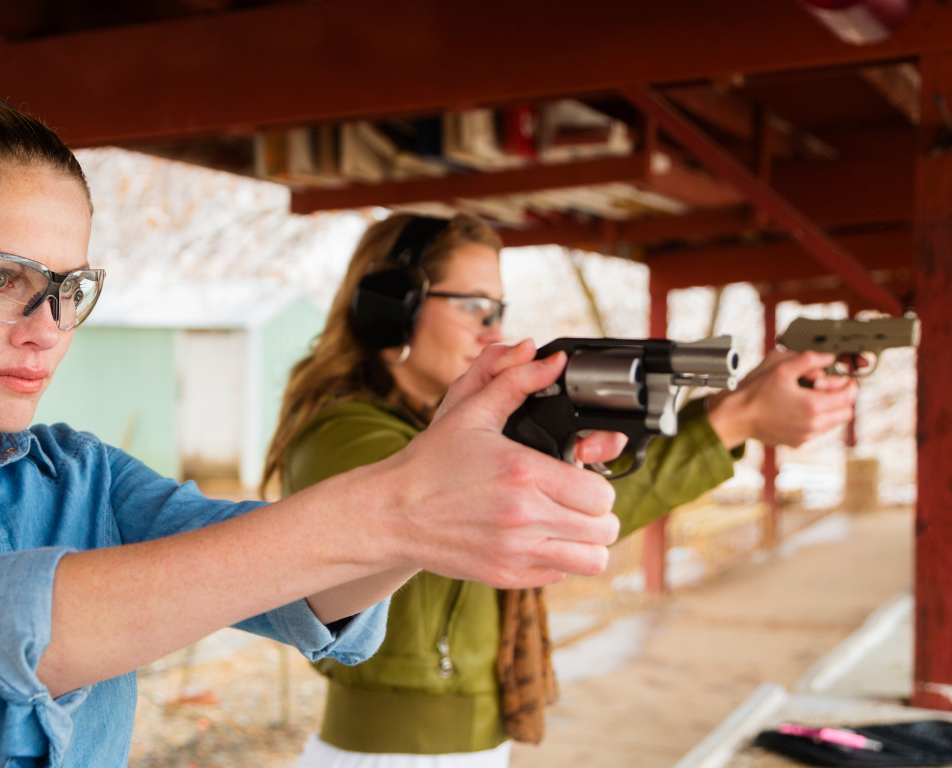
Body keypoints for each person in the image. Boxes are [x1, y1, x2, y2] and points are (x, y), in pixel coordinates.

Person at [0, 67, 638, 768]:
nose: (46, 330)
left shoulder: (82, 477)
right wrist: (393, 506)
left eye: (67, 288)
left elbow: (297, 583)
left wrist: (437, 495)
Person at [264, 213, 858, 768]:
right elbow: (512, 515)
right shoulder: (343, 434)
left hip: (468, 747)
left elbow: (568, 507)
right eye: (473, 306)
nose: (495, 329)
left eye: (498, 308)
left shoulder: (445, 432)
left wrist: (735, 411)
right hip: (392, 754)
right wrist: (735, 419)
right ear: (390, 309)